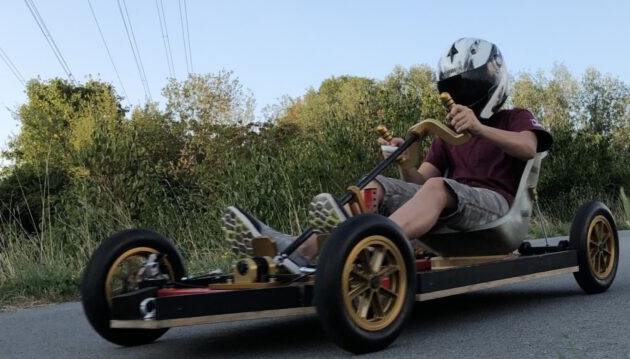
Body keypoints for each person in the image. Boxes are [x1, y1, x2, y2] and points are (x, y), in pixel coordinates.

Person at [223, 38, 552, 264]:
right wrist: (407, 165)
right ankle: (298, 250)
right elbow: (421, 183)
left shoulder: (514, 117)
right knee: (374, 187)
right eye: (455, 90)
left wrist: (479, 128)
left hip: (497, 211)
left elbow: (528, 148)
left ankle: (371, 243)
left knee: (440, 187)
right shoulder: (449, 133)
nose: (461, 96)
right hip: (452, 205)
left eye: (468, 87)